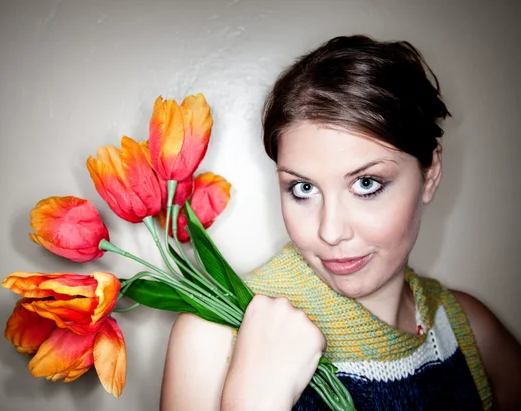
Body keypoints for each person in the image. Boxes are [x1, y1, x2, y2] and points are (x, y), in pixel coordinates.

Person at [159, 35, 521, 410]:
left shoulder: (467, 330)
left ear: (430, 174)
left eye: (366, 184)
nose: (330, 232)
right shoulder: (212, 337)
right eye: (302, 188)